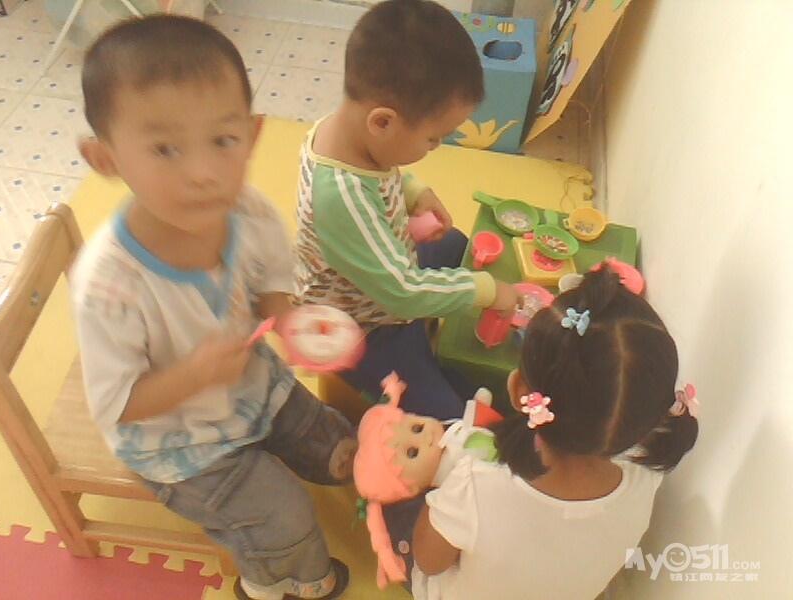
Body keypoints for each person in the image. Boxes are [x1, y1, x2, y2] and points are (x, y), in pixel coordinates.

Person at [71, 15, 355, 600]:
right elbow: (119, 406)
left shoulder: (246, 210)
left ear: (252, 135)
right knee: (282, 516)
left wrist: (292, 321)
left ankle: (353, 471)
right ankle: (276, 584)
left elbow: (271, 283)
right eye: (164, 149)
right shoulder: (108, 287)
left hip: (256, 388)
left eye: (222, 141)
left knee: (335, 440)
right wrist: (195, 375)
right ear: (105, 158)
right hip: (180, 445)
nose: (203, 174)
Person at [292, 0, 522, 421]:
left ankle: (438, 328)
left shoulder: (351, 131)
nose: (436, 147)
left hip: (383, 275)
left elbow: (381, 171)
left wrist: (415, 192)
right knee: (452, 422)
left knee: (456, 244)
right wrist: (485, 291)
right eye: (433, 139)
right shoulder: (340, 196)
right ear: (382, 122)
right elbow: (401, 293)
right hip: (363, 324)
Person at [410, 266, 700, 599]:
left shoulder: (474, 484)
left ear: (518, 390)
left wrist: (441, 491)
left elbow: (429, 562)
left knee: (399, 493)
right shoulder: (646, 479)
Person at [353, 373, 502, 589]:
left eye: (417, 427)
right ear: (411, 487)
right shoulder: (437, 505)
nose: (426, 436)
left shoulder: (447, 438)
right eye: (413, 452)